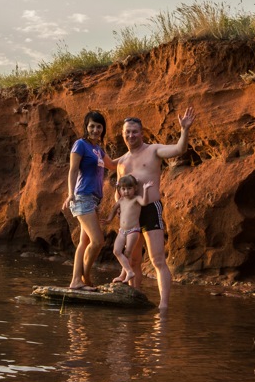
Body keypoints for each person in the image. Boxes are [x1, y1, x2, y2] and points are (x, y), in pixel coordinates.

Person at [114, 107, 195, 309]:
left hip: (150, 209)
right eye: (127, 132)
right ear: (123, 134)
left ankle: (163, 306)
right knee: (132, 259)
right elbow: (119, 188)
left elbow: (179, 149)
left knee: (157, 259)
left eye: (134, 131)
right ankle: (134, 299)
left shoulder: (153, 150)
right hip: (129, 214)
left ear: (142, 133)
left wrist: (184, 130)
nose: (130, 135)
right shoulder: (122, 161)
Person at [64, 111, 115, 290]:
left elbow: (113, 165)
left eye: (99, 126)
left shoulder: (98, 150)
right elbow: (72, 170)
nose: (95, 129)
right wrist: (71, 194)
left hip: (94, 200)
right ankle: (84, 277)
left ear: (103, 129)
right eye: (92, 126)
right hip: (82, 197)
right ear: (86, 127)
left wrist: (135, 154)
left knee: (84, 243)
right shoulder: (80, 145)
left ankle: (76, 281)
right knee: (98, 241)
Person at [104, 175, 154, 284]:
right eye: (123, 189)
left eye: (129, 188)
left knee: (127, 253)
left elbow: (144, 202)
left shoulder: (136, 199)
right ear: (120, 190)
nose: (126, 191)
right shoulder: (121, 200)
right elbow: (114, 209)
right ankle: (129, 272)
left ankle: (125, 275)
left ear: (135, 188)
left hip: (133, 230)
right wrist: (109, 219)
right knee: (116, 251)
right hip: (122, 231)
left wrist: (145, 190)